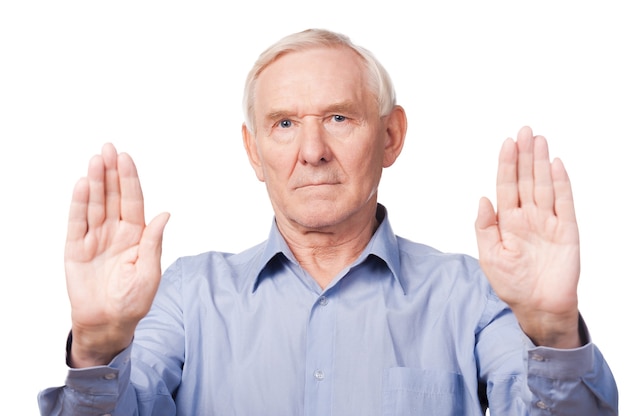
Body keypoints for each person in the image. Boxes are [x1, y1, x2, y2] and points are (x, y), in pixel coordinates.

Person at [38, 28, 618, 415]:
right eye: (284, 124)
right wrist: (98, 347)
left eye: (339, 117)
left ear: (390, 137)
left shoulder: (473, 296)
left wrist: (553, 331)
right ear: (253, 151)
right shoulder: (187, 298)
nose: (311, 150)